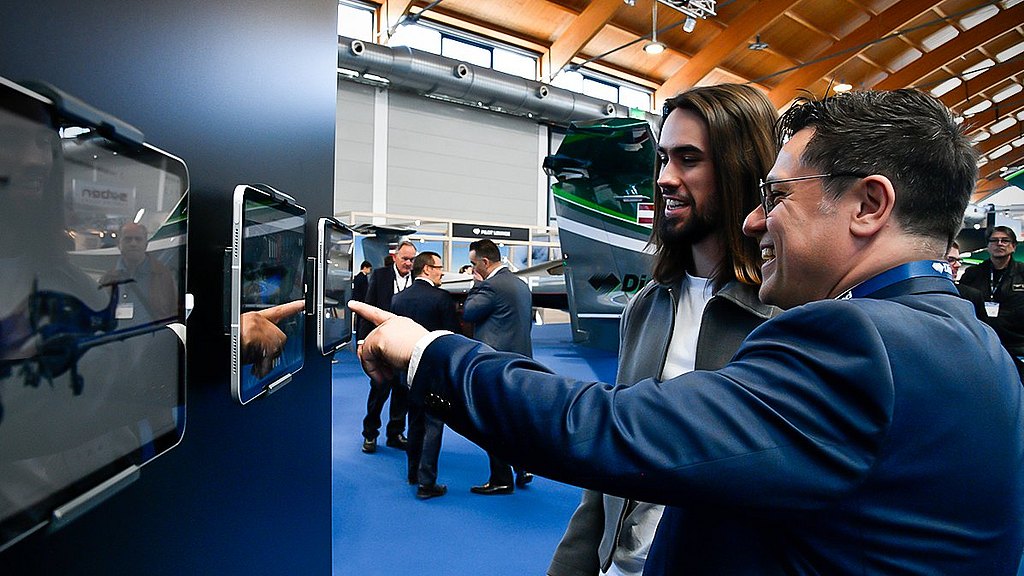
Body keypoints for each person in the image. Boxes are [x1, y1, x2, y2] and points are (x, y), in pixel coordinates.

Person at [352, 89, 1024, 574]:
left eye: (778, 197)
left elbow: (613, 432)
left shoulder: (852, 342)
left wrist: (428, 353)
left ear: (870, 205)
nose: (759, 222)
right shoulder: (972, 342)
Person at [548, 84, 780, 576]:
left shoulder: (787, 318)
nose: (664, 179)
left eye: (688, 160)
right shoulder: (646, 307)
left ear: (741, 171)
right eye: (662, 158)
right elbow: (611, 455)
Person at [463, 238, 533, 495]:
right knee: (515, 418)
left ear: (484, 262)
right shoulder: (520, 284)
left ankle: (501, 479)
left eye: (473, 264)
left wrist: (475, 285)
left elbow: (469, 312)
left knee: (491, 421)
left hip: (495, 365)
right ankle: (523, 466)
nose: (472, 269)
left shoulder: (490, 286)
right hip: (522, 362)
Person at [390, 251, 458, 499]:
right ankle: (426, 482)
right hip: (433, 371)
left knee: (414, 420)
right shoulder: (442, 299)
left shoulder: (398, 299)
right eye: (439, 267)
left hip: (406, 369)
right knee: (434, 424)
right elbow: (452, 337)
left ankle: (412, 473)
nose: (442, 272)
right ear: (427, 269)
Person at [356, 241, 416, 454]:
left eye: (412, 259)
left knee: (402, 392)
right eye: (405, 259)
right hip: (381, 346)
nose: (408, 263)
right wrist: (362, 342)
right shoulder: (380, 276)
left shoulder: (417, 279)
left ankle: (395, 433)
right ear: (395, 257)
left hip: (406, 347)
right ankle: (370, 434)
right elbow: (367, 308)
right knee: (379, 391)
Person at [959, 226, 1024, 379]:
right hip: (982, 344)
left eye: (1005, 240)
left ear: (1013, 246)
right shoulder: (972, 274)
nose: (999, 244)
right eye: (994, 240)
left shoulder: (1022, 273)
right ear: (987, 246)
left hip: (1017, 345)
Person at [99, 222, 177, 326]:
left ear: (146, 244)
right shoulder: (108, 279)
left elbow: (175, 312)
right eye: (128, 239)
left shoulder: (162, 275)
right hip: (117, 340)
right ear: (119, 244)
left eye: (138, 239)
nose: (133, 243)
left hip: (154, 340)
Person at [946, 240, 985, 320]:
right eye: (950, 260)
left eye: (958, 260)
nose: (958, 265)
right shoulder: (915, 291)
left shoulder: (971, 296)